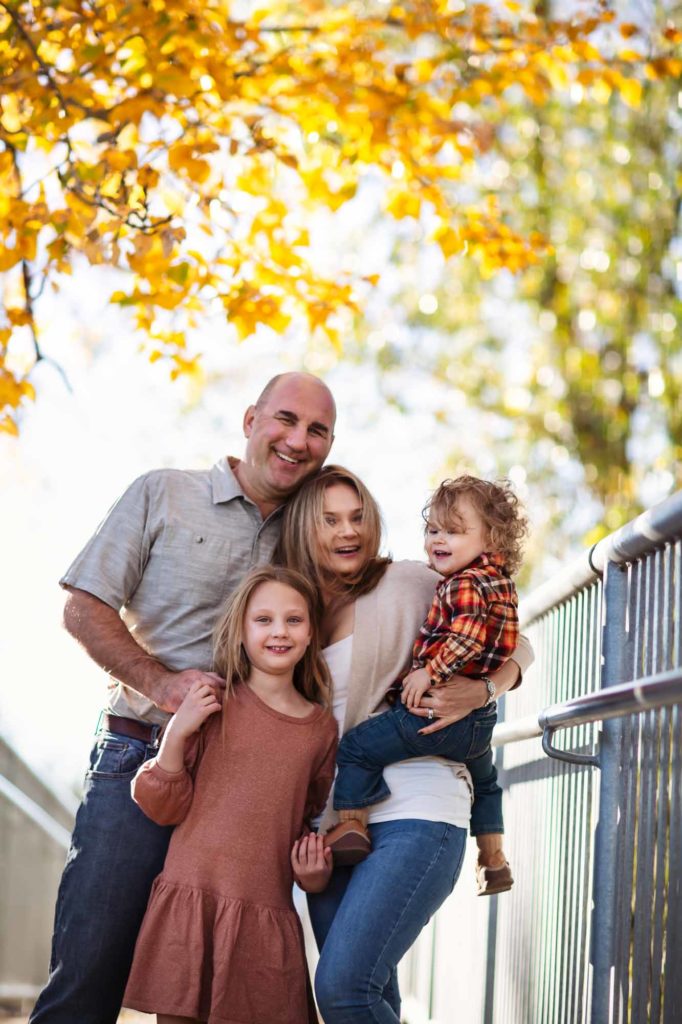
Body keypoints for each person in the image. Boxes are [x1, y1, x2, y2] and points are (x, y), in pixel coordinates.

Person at [30, 372, 336, 1024]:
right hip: (139, 754)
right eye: (285, 419)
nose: (297, 440)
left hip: (243, 791)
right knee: (89, 974)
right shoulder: (163, 492)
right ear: (251, 419)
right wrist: (161, 683)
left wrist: (488, 671)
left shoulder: (313, 536)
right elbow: (83, 608)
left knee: (219, 994)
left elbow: (377, 602)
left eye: (317, 430)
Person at [278, 465, 534, 1024]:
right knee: (371, 996)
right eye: (330, 521)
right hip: (334, 831)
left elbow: (519, 645)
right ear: (302, 528)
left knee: (343, 990)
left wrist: (483, 689)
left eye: (358, 517)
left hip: (418, 808)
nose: (347, 532)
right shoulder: (285, 610)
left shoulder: (413, 579)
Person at [122, 566, 338, 1024]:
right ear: (240, 630)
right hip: (192, 899)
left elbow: (304, 823)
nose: (279, 631)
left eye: (293, 620)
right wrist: (177, 734)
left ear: (310, 633)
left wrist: (314, 876)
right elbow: (162, 805)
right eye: (264, 620)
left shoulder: (321, 729)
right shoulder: (211, 703)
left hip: (264, 912)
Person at [324, 475, 527, 897]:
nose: (439, 539)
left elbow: (470, 637)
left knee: (359, 748)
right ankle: (493, 859)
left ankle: (350, 826)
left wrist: (430, 673)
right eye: (433, 529)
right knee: (486, 782)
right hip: (476, 725)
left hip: (440, 713)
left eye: (453, 531)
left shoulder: (463, 583)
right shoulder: (497, 582)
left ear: (493, 541)